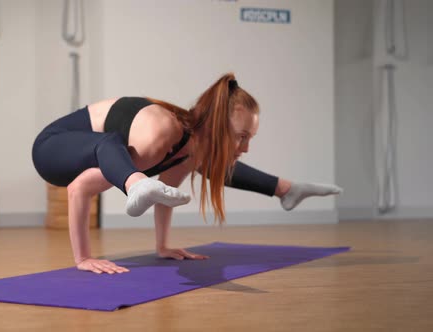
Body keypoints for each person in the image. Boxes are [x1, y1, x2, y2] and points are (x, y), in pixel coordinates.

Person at [32, 73, 341, 275]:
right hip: (51, 150)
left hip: (100, 153)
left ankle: (285, 190)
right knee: (110, 145)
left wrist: (163, 247)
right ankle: (136, 184)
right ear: (218, 125)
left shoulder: (188, 148)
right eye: (241, 136)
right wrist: (83, 258)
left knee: (201, 159)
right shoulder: (161, 134)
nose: (245, 148)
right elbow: (78, 188)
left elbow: (166, 195)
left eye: (250, 138)